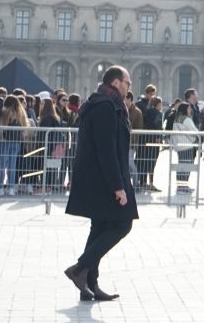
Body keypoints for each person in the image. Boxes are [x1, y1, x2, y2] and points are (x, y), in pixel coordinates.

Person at [64, 66, 137, 302]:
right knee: (122, 224)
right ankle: (79, 269)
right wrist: (118, 186)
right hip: (104, 179)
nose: (129, 88)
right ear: (116, 83)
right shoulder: (106, 107)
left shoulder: (104, 103)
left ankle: (90, 283)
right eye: (127, 82)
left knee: (100, 227)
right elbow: (107, 150)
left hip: (98, 177)